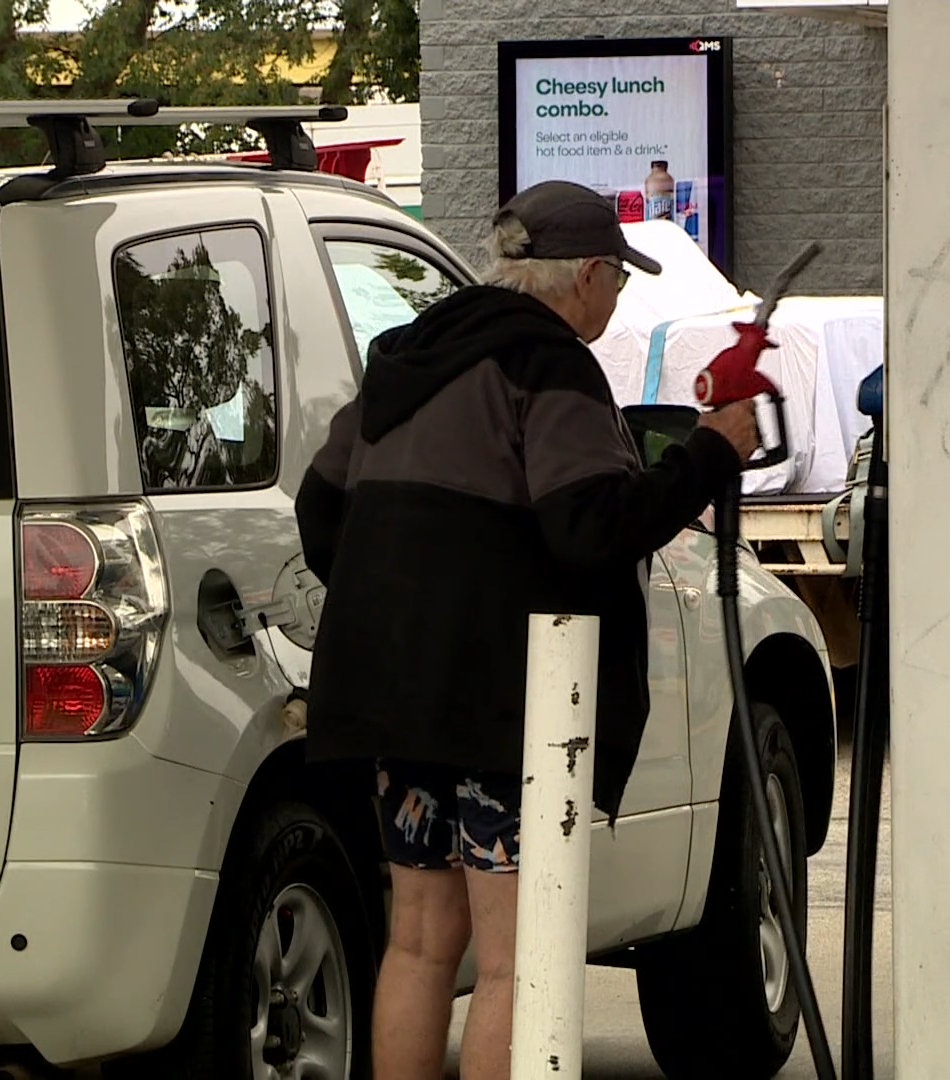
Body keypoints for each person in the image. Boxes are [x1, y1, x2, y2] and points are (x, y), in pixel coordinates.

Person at [294, 179, 760, 1080]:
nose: (617, 299)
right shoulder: (550, 365)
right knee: (514, 956)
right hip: (508, 707)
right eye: (617, 280)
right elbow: (588, 525)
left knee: (421, 942)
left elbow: (322, 516)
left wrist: (404, 608)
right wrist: (708, 453)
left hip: (394, 700)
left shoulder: (403, 356)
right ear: (583, 274)